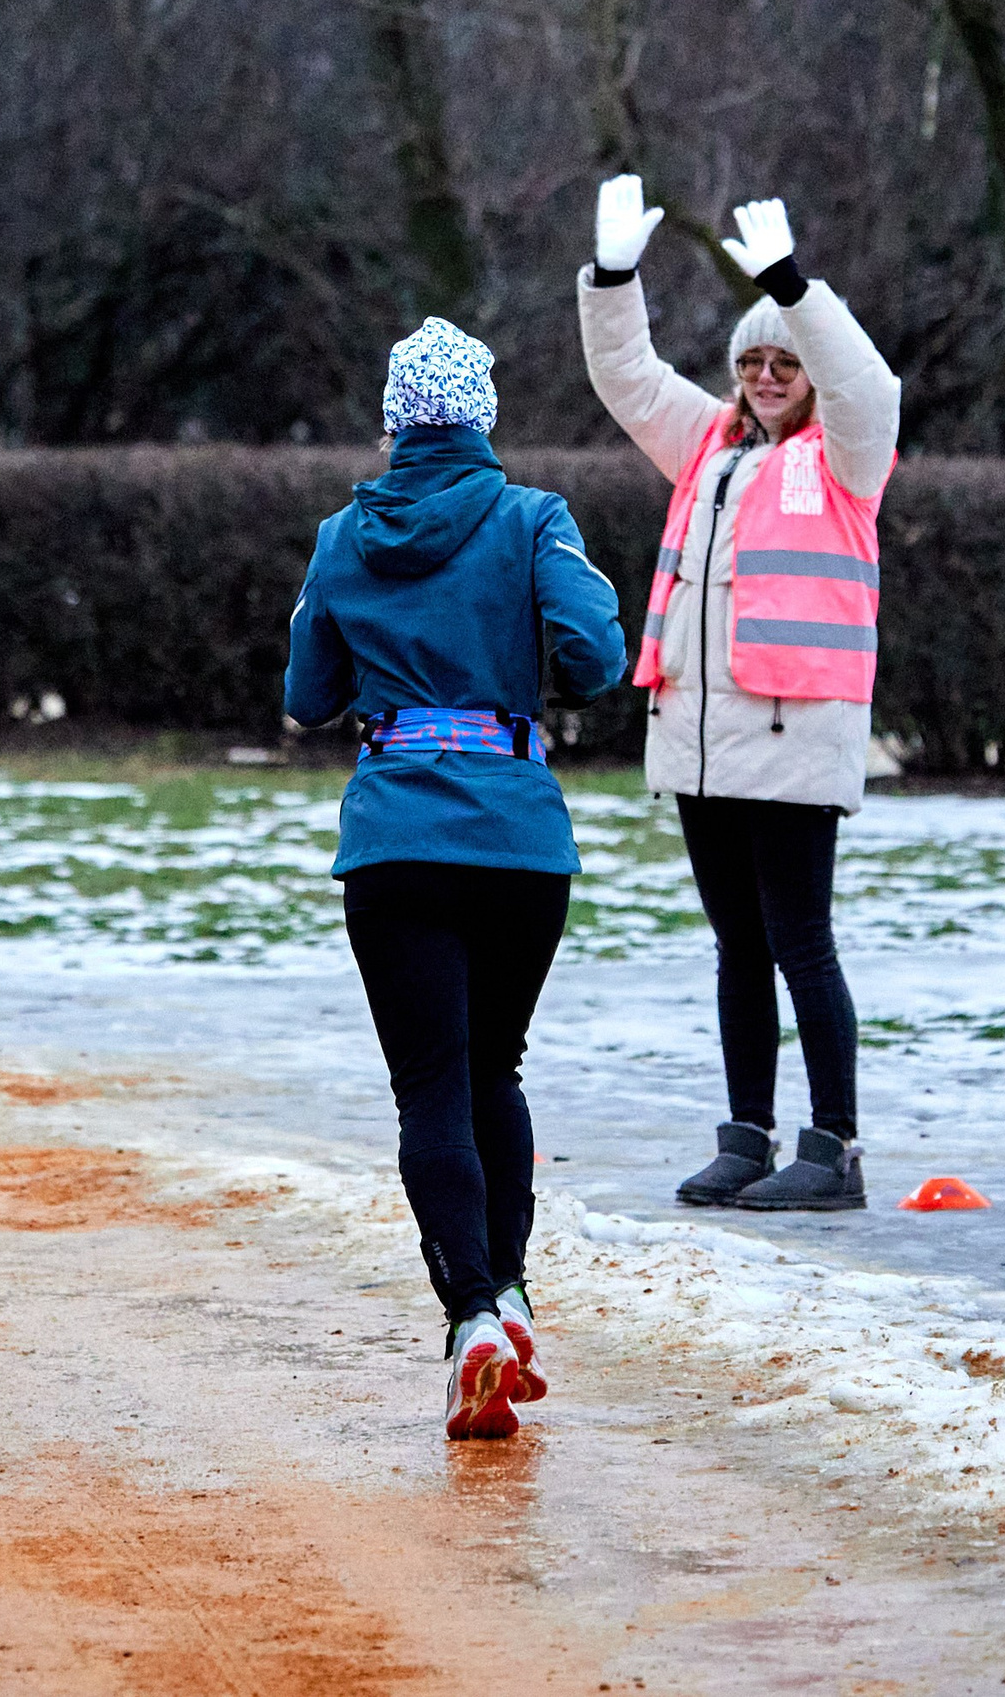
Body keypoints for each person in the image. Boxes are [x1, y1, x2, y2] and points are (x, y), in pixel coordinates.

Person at [286, 318, 628, 1440]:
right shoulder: (536, 520)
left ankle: (470, 1311)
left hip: (394, 837)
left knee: (429, 1084)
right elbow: (596, 657)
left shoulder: (343, 536)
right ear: (482, 418)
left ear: (394, 421)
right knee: (495, 1067)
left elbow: (306, 694)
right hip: (519, 839)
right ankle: (511, 1294)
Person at [577, 180, 902, 1214]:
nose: (765, 377)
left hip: (795, 738)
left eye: (783, 363)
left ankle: (834, 1147)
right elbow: (628, 379)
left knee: (801, 942)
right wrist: (613, 279)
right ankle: (746, 1137)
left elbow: (868, 386)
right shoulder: (710, 446)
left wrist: (796, 293)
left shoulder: (846, 456)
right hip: (702, 742)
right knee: (737, 949)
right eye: (751, 362)